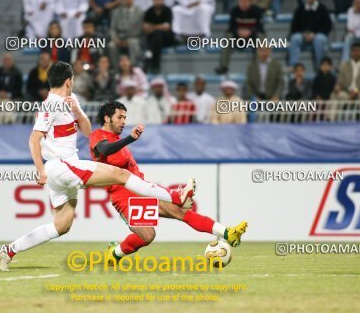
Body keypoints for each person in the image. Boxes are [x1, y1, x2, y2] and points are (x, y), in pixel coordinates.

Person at [0, 62, 195, 271]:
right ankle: (176, 196)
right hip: (63, 166)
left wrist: (78, 111)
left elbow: (88, 131)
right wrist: (40, 170)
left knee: (61, 226)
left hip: (63, 171)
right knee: (121, 174)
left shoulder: (69, 103)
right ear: (69, 81)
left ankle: (8, 250)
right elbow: (34, 139)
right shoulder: (50, 104)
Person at [89, 101, 248, 264]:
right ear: (107, 118)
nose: (124, 121)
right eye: (120, 117)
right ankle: (115, 254)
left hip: (141, 191)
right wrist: (131, 138)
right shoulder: (98, 136)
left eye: (125, 117)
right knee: (147, 236)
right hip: (123, 197)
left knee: (181, 213)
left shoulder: (117, 140)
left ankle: (228, 233)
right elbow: (105, 150)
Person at [215, 0, 265, 74]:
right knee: (228, 37)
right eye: (240, 1)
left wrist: (250, 32)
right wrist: (238, 31)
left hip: (252, 37)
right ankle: (223, 66)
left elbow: (260, 28)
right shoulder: (234, 11)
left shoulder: (257, 11)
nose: (243, 4)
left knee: (261, 38)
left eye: (245, 1)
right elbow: (231, 27)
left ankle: (257, 67)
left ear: (250, 2)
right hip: (238, 37)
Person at [289, 0, 332, 69]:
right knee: (294, 39)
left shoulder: (322, 8)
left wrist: (315, 34)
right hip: (303, 35)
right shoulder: (300, 8)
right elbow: (294, 26)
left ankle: (320, 67)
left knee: (319, 40)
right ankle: (293, 66)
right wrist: (303, 33)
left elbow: (328, 26)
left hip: (318, 35)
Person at [108, 0, 144, 68]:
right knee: (111, 45)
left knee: (133, 44)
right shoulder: (116, 12)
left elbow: (140, 29)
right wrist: (115, 39)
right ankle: (116, 69)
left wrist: (128, 40)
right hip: (119, 38)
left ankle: (133, 67)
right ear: (123, 0)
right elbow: (112, 28)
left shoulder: (140, 12)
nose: (128, 1)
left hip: (133, 37)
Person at [143, 0, 174, 74]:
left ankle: (149, 61)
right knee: (156, 37)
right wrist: (159, 27)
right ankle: (155, 65)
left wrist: (153, 27)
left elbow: (167, 27)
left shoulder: (168, 11)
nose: (158, 1)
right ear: (152, 0)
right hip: (154, 40)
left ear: (163, 0)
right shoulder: (149, 11)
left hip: (167, 39)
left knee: (158, 34)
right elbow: (145, 28)